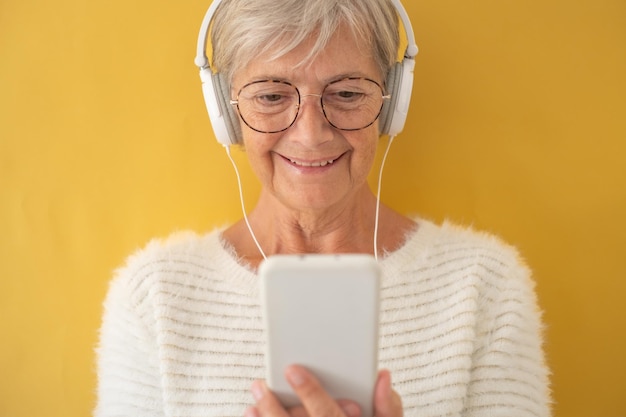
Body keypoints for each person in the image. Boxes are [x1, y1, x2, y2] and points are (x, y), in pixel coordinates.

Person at [94, 0, 551, 416]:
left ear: (392, 104)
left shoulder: (485, 286)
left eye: (348, 93)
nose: (310, 135)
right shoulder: (153, 296)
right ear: (226, 112)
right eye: (271, 95)